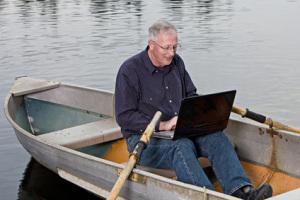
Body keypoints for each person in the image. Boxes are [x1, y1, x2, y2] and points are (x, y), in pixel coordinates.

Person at [115, 20, 273, 200]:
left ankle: (241, 191)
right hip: (144, 140)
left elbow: (191, 95)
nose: (172, 53)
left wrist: (207, 111)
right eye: (166, 48)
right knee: (181, 147)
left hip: (182, 129)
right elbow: (124, 116)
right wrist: (164, 125)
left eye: (175, 46)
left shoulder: (177, 63)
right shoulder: (129, 70)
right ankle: (208, 197)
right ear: (151, 45)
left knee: (216, 137)